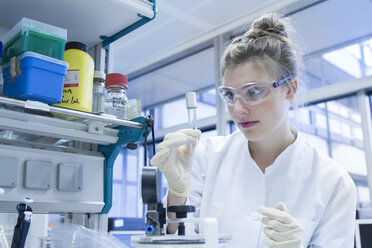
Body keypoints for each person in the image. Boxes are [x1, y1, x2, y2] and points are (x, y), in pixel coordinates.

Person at [150, 13, 356, 248]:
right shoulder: (205, 158)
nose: (238, 109)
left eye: (253, 92)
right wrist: (177, 192)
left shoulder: (334, 183)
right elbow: (174, 242)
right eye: (229, 95)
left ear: (290, 88)